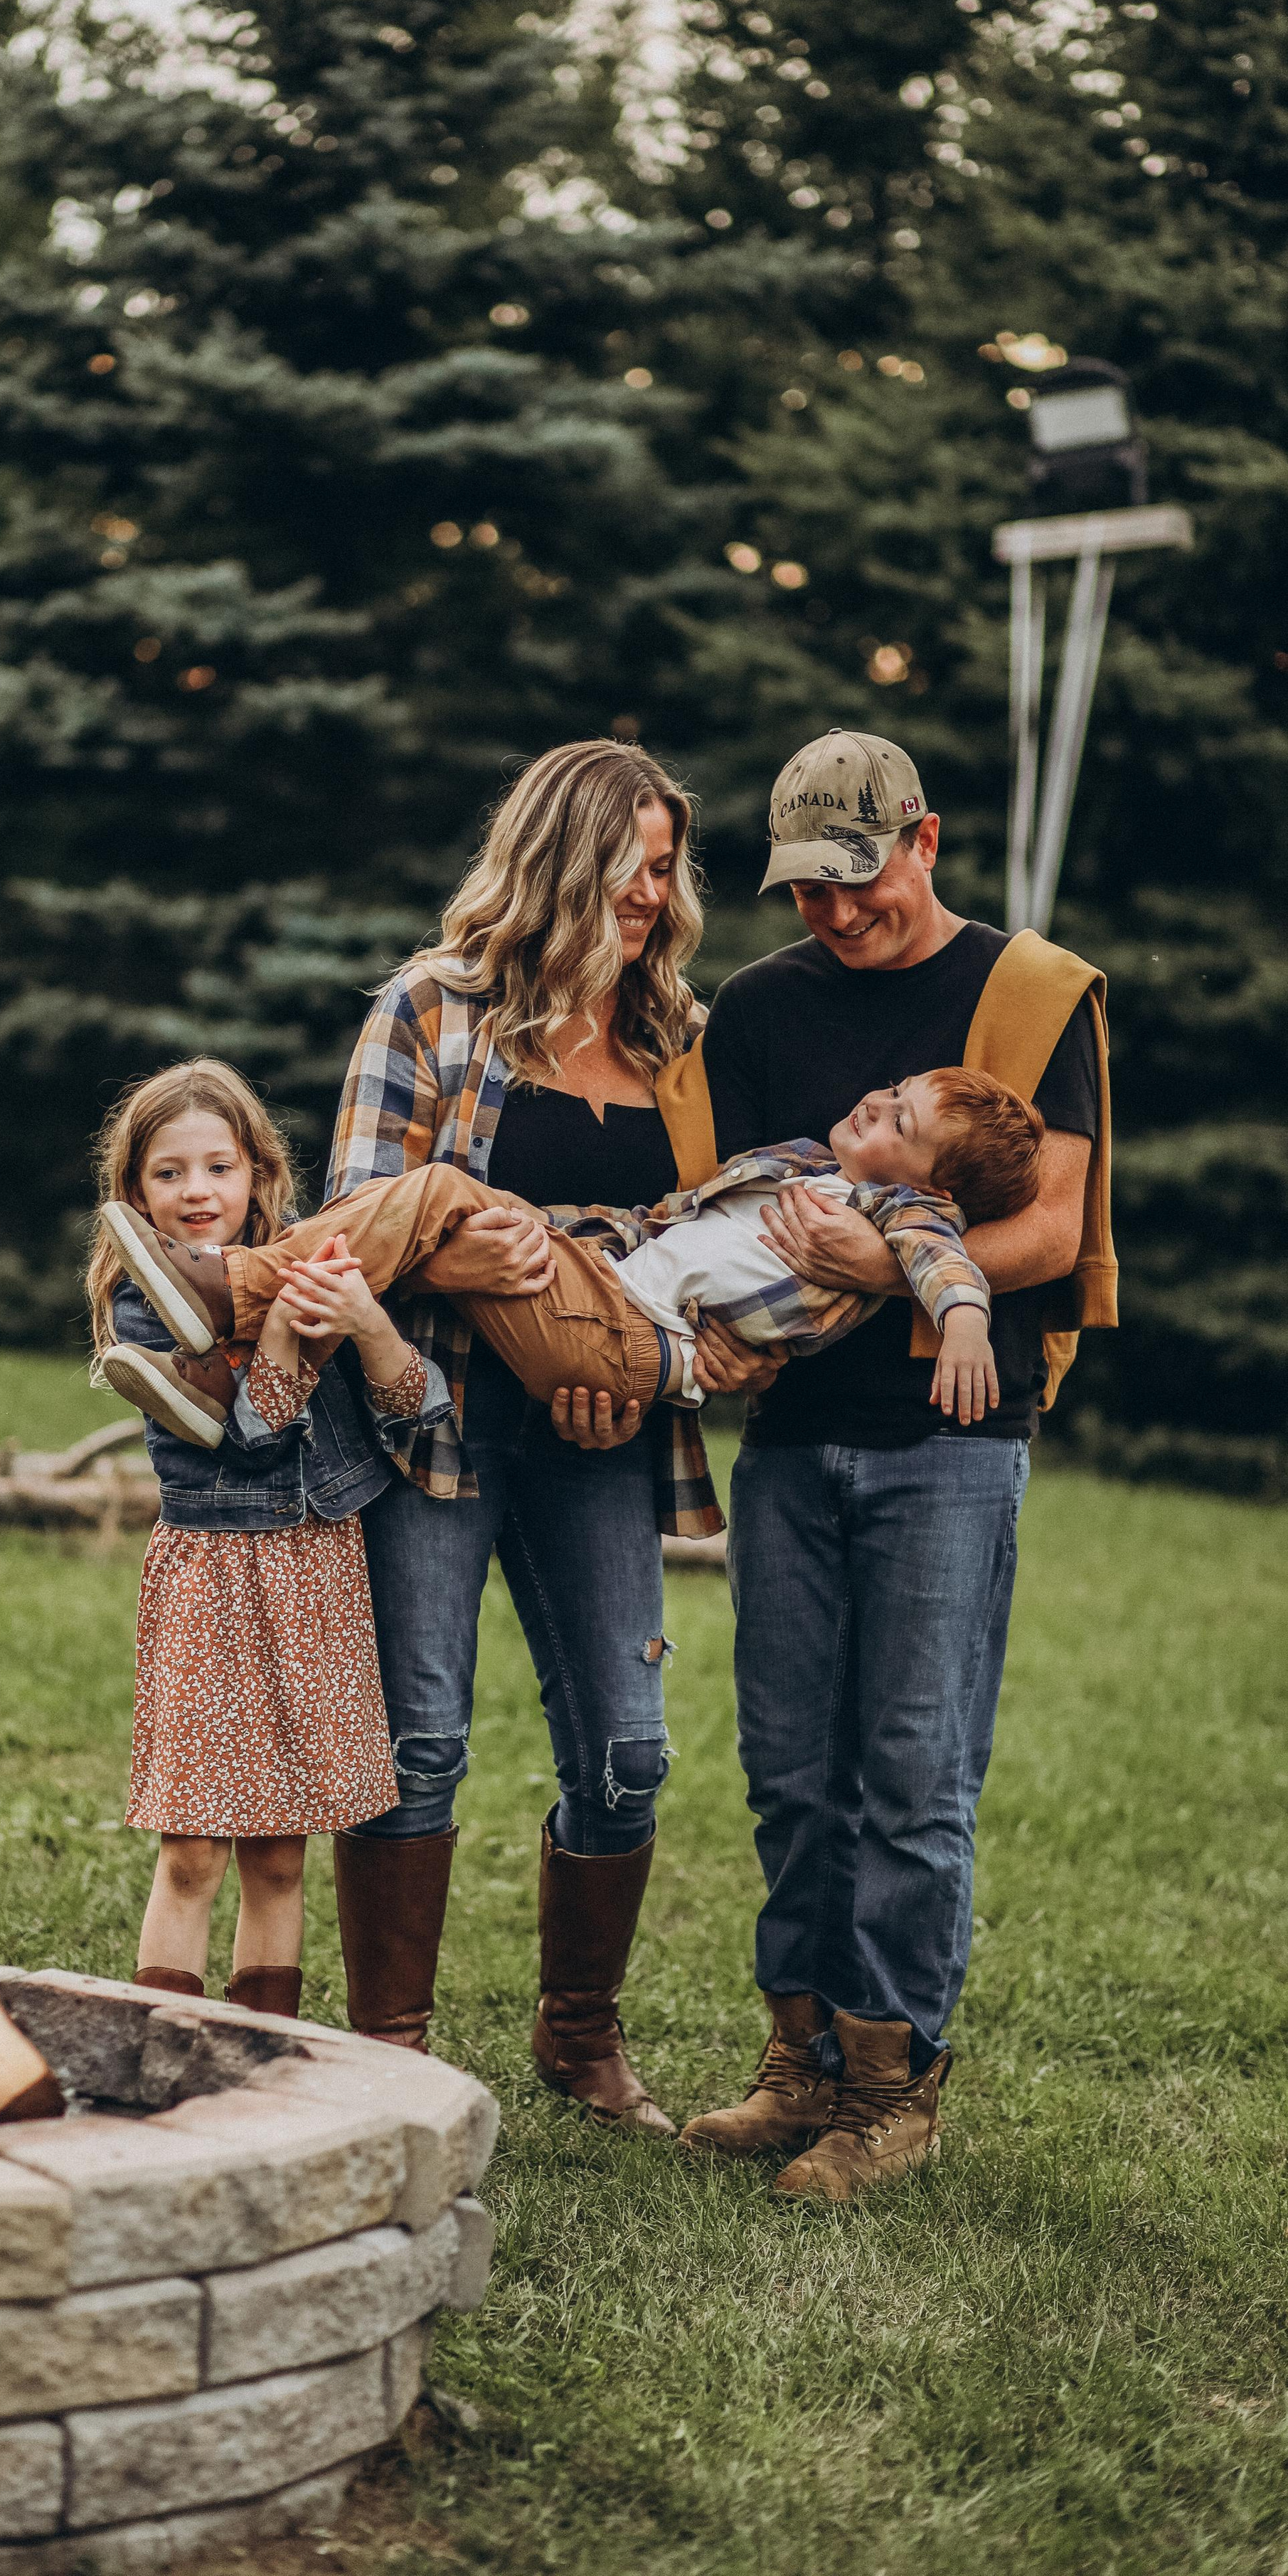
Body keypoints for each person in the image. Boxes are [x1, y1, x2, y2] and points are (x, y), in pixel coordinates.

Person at [669, 729, 1115, 2201]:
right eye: (808, 888)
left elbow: (1051, 1225)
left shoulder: (1028, 997)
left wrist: (889, 1266)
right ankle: (797, 2065)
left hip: (948, 1443)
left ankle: (890, 2088)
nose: (837, 911)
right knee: (792, 1774)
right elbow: (734, 1216)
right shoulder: (758, 1007)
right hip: (793, 1441)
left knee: (912, 1777)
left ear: (922, 841)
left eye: (859, 879)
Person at [302, 737, 765, 2134]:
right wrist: (528, 1269)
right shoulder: (430, 1010)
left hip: (606, 1438)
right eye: (628, 864)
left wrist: (582, 1312)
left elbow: (716, 1234)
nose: (650, 894)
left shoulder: (679, 1041)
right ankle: (392, 2053)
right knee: (421, 1745)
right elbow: (359, 1224)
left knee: (629, 1753)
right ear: (559, 855)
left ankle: (578, 2036)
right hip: (429, 1427)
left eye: (665, 870)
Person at [95, 1064, 1045, 1438]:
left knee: (433, 1194)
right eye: (894, 1090)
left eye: (901, 1121)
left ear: (934, 1187)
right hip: (601, 1290)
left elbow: (943, 1263)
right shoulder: (804, 1167)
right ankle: (225, 1364)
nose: (876, 1101)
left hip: (632, 1340)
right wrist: (529, 1224)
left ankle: (233, 1293)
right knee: (444, 1195)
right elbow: (655, 1223)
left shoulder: (898, 1216)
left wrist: (964, 1323)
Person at [87, 1059, 452, 2017]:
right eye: (169, 1174)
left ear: (259, 1174)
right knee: (193, 1847)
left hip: (316, 1572)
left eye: (219, 1168)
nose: (197, 1191)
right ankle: (167, 2045)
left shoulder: (310, 1265)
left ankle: (259, 2054)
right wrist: (285, 1337)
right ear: (137, 1195)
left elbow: (420, 1413)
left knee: (282, 1853)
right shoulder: (141, 1303)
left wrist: (363, 1323)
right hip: (212, 1575)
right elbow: (252, 1442)